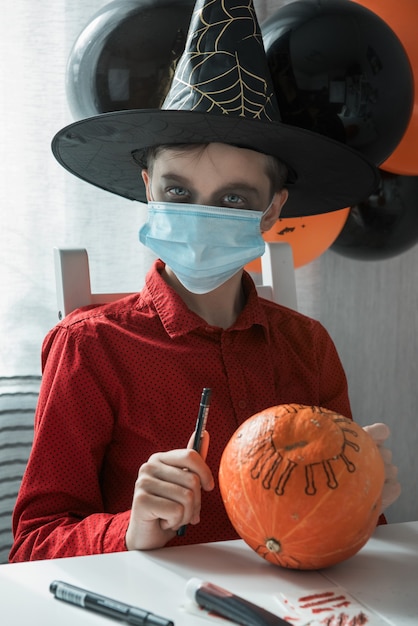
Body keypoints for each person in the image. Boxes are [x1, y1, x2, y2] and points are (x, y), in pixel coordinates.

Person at [10, 0, 400, 562]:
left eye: (234, 199)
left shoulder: (308, 347)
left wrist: (367, 503)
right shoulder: (89, 348)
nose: (201, 215)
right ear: (149, 188)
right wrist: (130, 528)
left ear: (271, 210)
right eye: (177, 192)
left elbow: (337, 533)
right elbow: (32, 545)